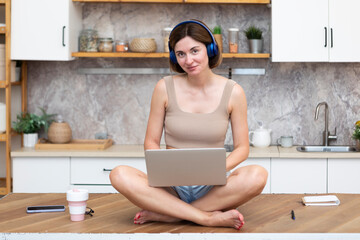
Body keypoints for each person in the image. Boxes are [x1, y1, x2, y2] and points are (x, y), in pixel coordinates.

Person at [110, 20, 268, 230]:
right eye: (181, 54)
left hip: (213, 185)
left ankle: (171, 214)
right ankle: (205, 217)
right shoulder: (164, 88)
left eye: (195, 51)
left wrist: (217, 170)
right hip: (171, 184)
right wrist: (162, 171)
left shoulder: (234, 91)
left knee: (258, 175)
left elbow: (242, 148)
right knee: (118, 174)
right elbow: (151, 141)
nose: (189, 60)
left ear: (210, 49)